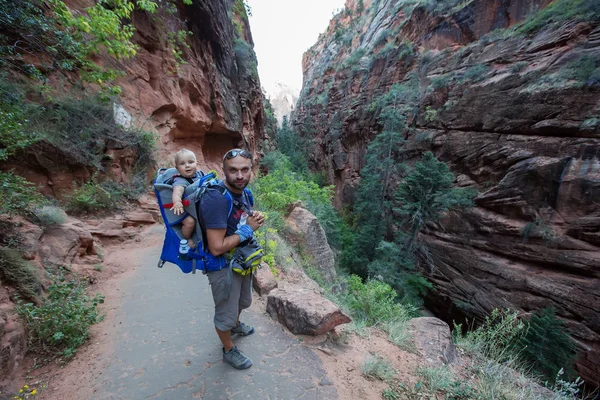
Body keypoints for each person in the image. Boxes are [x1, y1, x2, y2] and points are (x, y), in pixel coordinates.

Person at [199, 148, 265, 370]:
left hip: (240, 261)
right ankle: (228, 349)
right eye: (233, 170)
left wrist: (254, 218)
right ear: (223, 170)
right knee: (225, 313)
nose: (240, 176)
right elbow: (216, 247)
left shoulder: (244, 192)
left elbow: (240, 218)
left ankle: (235, 325)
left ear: (251, 170)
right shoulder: (216, 199)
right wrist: (248, 230)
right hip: (222, 266)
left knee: (243, 302)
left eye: (245, 170)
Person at [170, 148, 203, 246]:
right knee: (190, 222)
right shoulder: (180, 181)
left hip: (197, 206)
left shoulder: (200, 174)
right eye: (182, 164)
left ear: (197, 164)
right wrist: (177, 202)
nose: (187, 165)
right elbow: (177, 192)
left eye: (191, 162)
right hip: (185, 210)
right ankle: (187, 238)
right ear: (177, 168)